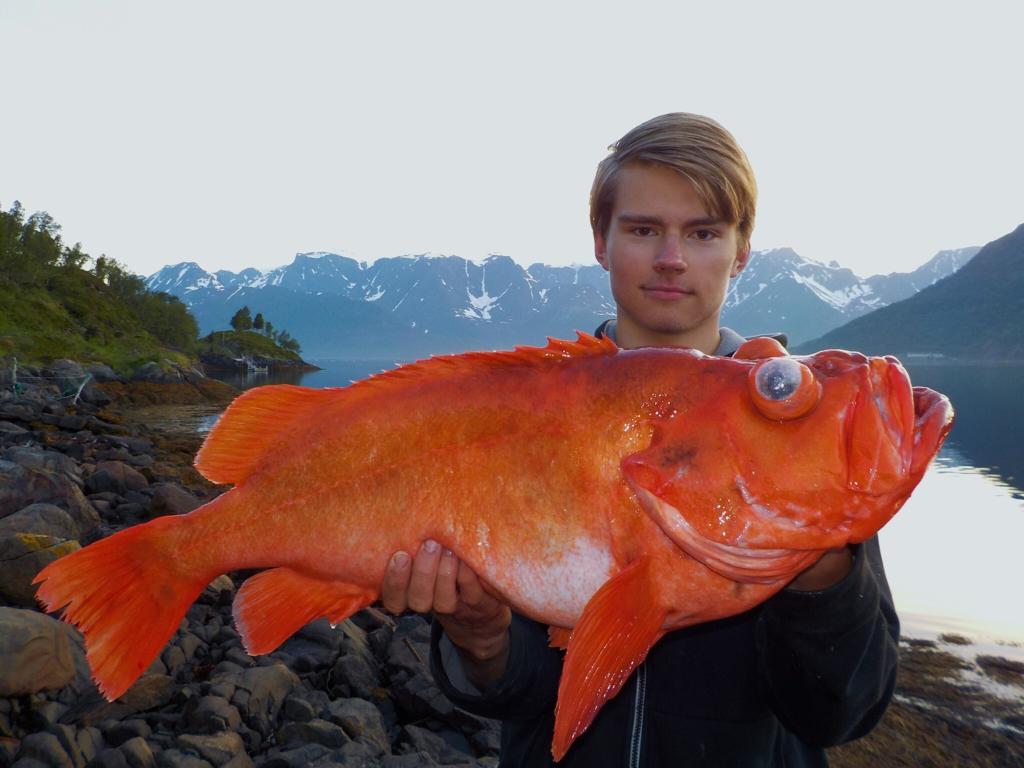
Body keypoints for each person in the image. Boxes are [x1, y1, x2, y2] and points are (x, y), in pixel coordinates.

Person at [379, 113, 899, 766]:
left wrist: (822, 575)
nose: (671, 258)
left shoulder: (800, 436)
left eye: (703, 232)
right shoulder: (525, 413)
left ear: (741, 251)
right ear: (601, 240)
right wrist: (480, 643)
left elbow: (840, 711)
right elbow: (520, 697)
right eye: (643, 228)